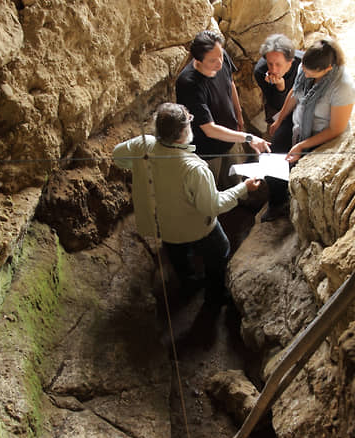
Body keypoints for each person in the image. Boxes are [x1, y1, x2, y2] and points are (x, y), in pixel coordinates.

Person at [113, 102, 261, 304]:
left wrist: (139, 165)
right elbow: (213, 206)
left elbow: (117, 156)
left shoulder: (143, 144)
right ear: (183, 132)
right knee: (220, 250)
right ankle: (214, 296)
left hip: (165, 227)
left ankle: (189, 284)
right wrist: (244, 188)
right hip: (198, 229)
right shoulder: (194, 168)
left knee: (178, 256)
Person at [265, 37, 355, 221]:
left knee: (302, 173)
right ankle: (277, 202)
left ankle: (300, 210)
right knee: (274, 156)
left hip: (323, 135)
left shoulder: (343, 87)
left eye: (310, 73)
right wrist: (280, 119)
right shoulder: (305, 67)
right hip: (299, 124)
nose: (305, 74)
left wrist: (302, 145)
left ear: (327, 69)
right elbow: (295, 93)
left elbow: (336, 128)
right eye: (304, 70)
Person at [176, 30, 270, 190]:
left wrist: (238, 114)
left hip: (230, 137)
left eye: (220, 55)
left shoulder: (220, 55)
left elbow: (230, 82)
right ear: (198, 60)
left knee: (235, 183)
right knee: (212, 192)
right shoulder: (189, 84)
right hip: (207, 151)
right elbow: (209, 129)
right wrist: (248, 138)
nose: (220, 62)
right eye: (213, 60)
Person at [254, 34, 303, 154]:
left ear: (290, 62)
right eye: (270, 64)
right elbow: (276, 105)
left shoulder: (303, 65)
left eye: (278, 64)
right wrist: (280, 87)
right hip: (278, 108)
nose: (274, 70)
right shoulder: (261, 71)